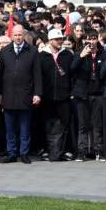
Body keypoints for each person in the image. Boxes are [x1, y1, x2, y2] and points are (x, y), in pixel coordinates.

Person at [0, 24, 42, 164]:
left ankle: (24, 153)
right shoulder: (5, 52)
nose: (17, 37)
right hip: (9, 95)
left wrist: (37, 93)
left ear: (24, 35)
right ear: (11, 36)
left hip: (26, 95)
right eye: (15, 35)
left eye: (20, 35)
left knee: (24, 128)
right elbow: (0, 75)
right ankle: (11, 153)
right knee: (10, 128)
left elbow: (37, 75)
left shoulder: (33, 51)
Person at [72, 30, 106, 161]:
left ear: (97, 39)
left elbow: (104, 72)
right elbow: (72, 69)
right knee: (82, 125)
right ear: (85, 40)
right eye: (89, 39)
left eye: (94, 38)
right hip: (82, 93)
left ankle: (99, 150)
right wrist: (81, 56)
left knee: (97, 124)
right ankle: (81, 151)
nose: (91, 41)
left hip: (98, 93)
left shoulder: (103, 53)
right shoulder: (79, 53)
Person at [39, 29, 73, 161]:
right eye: (57, 39)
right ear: (50, 41)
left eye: (61, 39)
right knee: (46, 124)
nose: (60, 42)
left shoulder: (67, 55)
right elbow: (38, 76)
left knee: (66, 124)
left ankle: (65, 150)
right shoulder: (41, 55)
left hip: (64, 96)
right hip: (47, 97)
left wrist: (70, 92)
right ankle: (47, 150)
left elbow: (71, 75)